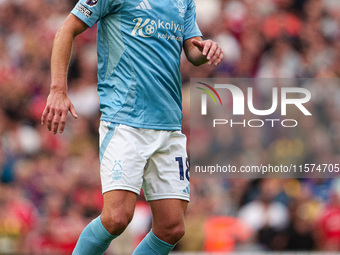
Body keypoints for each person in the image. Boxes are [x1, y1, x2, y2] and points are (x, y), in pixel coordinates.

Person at [41, 0, 223, 254]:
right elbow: (67, 29)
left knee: (172, 227)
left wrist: (206, 49)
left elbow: (192, 51)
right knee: (116, 217)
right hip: (125, 120)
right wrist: (58, 89)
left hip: (169, 124)